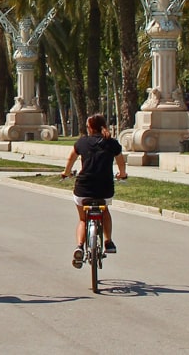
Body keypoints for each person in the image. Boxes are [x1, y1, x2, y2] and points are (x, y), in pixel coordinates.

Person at [61, 113, 128, 267]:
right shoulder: (112, 143)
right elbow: (121, 164)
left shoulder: (81, 143)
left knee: (83, 219)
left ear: (90, 128)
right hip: (104, 188)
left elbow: (70, 160)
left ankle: (79, 246)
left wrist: (66, 173)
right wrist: (122, 175)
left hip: (83, 188)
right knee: (104, 212)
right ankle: (108, 241)